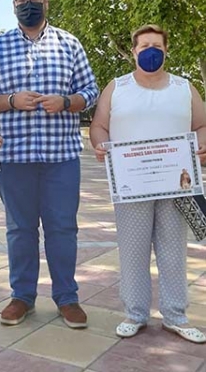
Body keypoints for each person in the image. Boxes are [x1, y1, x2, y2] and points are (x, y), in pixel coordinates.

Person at [0, 0, 99, 328]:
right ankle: (22, 297)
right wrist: (11, 100)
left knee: (62, 228)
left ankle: (67, 298)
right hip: (14, 158)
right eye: (20, 1)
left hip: (61, 156)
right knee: (20, 229)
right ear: (13, 5)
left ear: (46, 0)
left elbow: (90, 89)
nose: (28, 5)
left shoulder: (69, 44)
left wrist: (68, 101)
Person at [90, 24, 206, 343]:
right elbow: (99, 126)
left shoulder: (185, 87)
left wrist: (200, 145)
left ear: (166, 50)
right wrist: (100, 144)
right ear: (134, 51)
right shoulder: (117, 87)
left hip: (176, 183)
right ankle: (136, 314)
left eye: (157, 45)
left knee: (173, 249)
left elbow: (202, 125)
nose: (150, 50)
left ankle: (175, 315)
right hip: (132, 184)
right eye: (144, 45)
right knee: (133, 249)